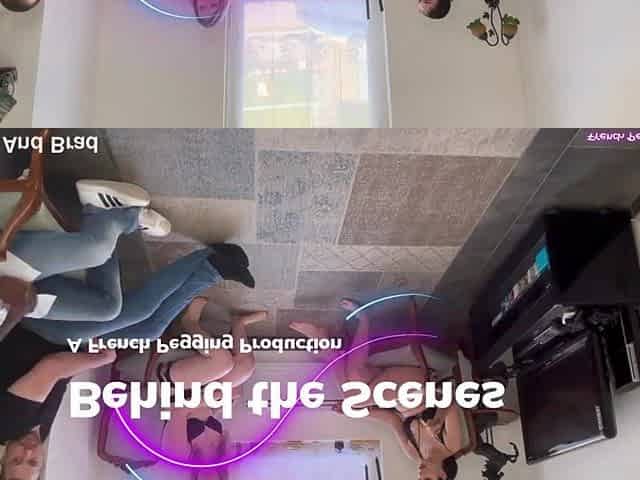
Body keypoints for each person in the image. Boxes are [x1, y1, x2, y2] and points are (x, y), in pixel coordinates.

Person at [289, 298, 461, 480]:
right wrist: (439, 419)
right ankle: (335, 338)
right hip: (417, 386)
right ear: (442, 475)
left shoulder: (415, 455)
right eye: (426, 479)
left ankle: (358, 323)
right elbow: (449, 398)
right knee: (353, 398)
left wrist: (357, 413)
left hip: (394, 396)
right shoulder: (451, 445)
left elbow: (392, 420)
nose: (419, 476)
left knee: (355, 378)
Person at [0, 179, 171, 339]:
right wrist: (14, 314)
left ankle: (109, 214)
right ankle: (104, 218)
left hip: (5, 268)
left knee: (97, 250)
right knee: (107, 309)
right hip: (15, 305)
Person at [0, 325, 117, 480]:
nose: (28, 452)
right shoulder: (39, 433)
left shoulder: (8, 426)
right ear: (42, 463)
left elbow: (51, 366)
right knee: (145, 330)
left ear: (3, 459)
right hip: (64, 343)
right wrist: (90, 356)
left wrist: (102, 359)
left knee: (113, 311)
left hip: (38, 331)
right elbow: (61, 381)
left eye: (16, 460)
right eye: (33, 462)